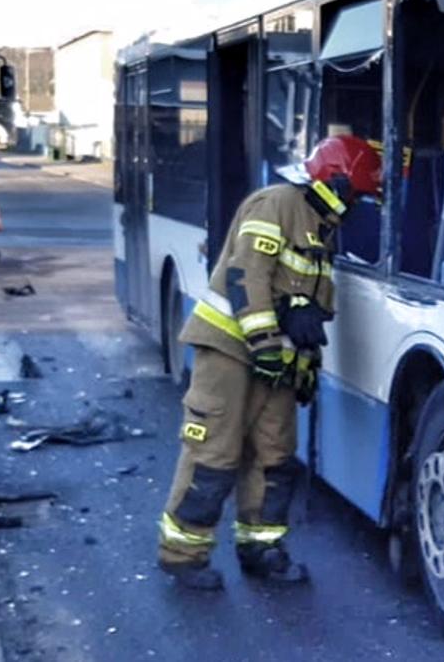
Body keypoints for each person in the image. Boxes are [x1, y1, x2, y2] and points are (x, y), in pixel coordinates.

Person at [155, 133, 383, 590]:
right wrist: (264, 345)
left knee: (274, 457)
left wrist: (302, 364)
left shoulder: (322, 227)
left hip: (272, 359)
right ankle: (183, 554)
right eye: (356, 194)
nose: (358, 204)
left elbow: (307, 309)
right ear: (334, 182)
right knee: (214, 452)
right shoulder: (276, 203)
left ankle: (261, 548)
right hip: (229, 349)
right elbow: (247, 277)